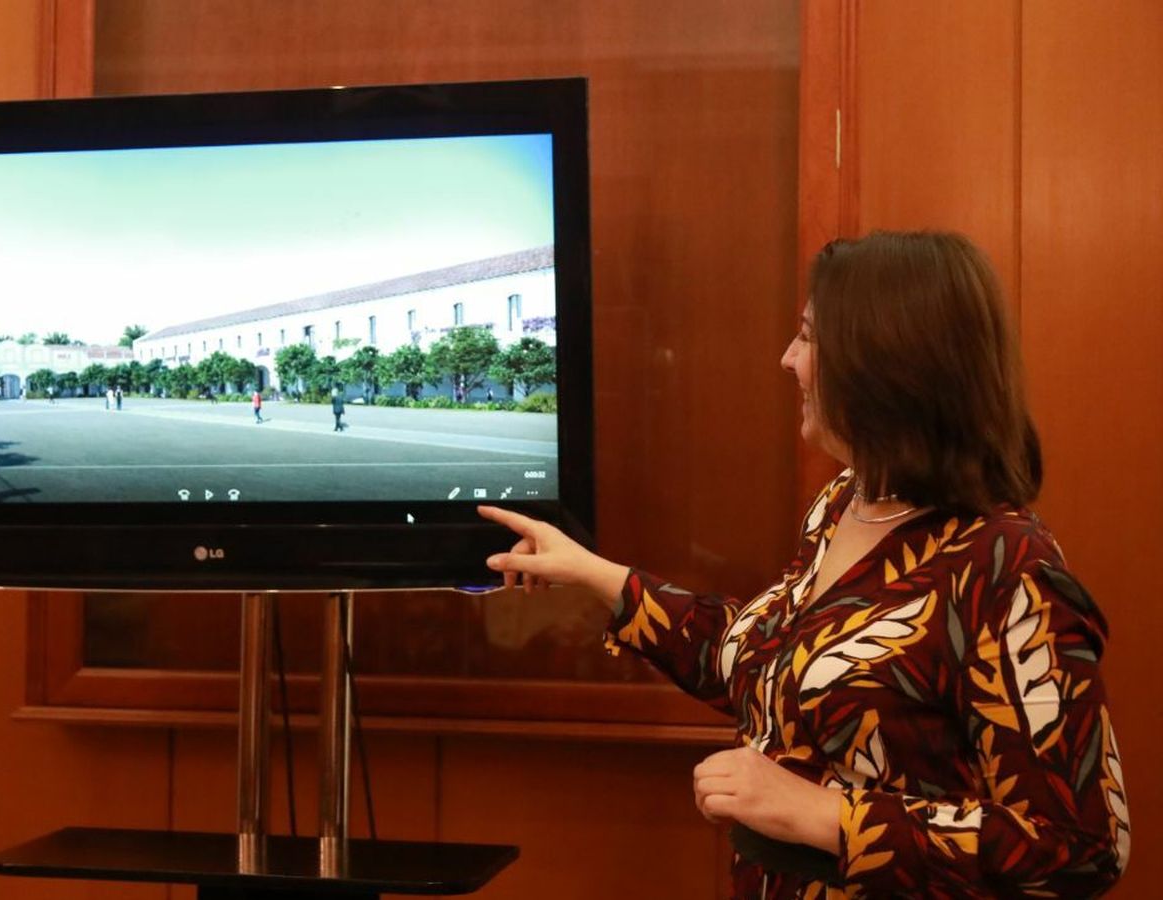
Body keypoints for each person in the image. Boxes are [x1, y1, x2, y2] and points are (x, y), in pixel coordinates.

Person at [480, 232, 1128, 897]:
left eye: (810, 339)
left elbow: (1079, 846)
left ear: (888, 363)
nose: (787, 359)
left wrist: (830, 817)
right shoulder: (842, 504)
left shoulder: (1007, 566)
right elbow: (762, 663)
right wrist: (592, 573)